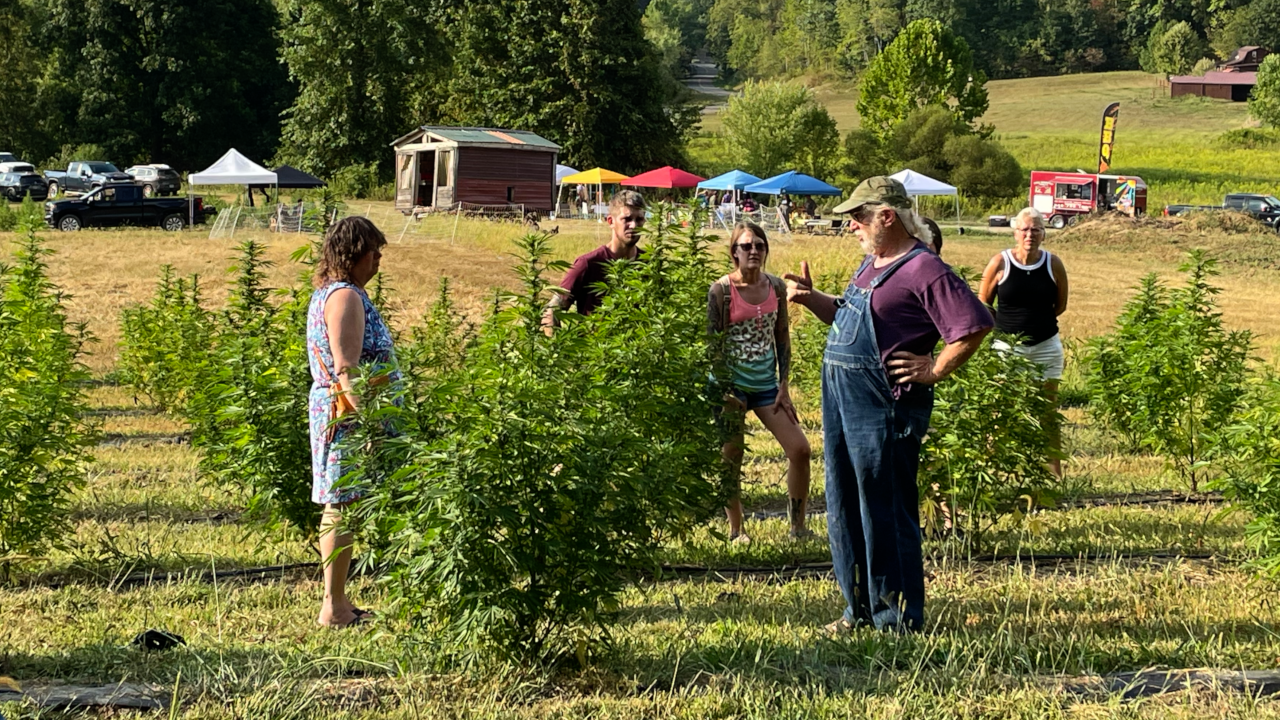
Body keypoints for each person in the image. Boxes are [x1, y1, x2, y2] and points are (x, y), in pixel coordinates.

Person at [785, 176, 993, 633]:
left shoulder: (924, 268)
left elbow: (973, 325)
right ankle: (856, 610)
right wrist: (809, 298)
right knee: (844, 503)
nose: (852, 226)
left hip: (884, 408)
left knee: (884, 509)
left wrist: (935, 368)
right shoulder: (872, 262)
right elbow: (847, 315)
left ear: (887, 216)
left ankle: (897, 620)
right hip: (843, 402)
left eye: (859, 217)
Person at [307, 216, 402, 628]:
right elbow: (347, 369)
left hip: (348, 414)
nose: (378, 260)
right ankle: (335, 606)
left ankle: (338, 602)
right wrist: (372, 425)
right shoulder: (344, 297)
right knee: (342, 506)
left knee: (346, 505)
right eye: (374, 252)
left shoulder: (340, 293)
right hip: (349, 418)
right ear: (353, 254)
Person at [708, 221, 813, 543]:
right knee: (731, 457)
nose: (754, 251)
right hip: (731, 386)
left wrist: (784, 386)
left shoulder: (776, 287)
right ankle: (737, 530)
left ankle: (797, 527)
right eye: (746, 246)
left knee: (800, 450)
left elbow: (782, 335)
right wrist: (725, 389)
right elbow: (712, 344)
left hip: (767, 385)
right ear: (734, 253)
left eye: (759, 245)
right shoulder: (721, 290)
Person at [978, 207, 1069, 478]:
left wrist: (1034, 324)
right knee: (1001, 411)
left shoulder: (1054, 264)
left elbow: (1060, 306)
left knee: (1047, 413)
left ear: (1044, 234)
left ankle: (1053, 475)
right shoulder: (1000, 263)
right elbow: (983, 302)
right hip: (1008, 350)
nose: (1030, 235)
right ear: (1015, 232)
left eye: (1036, 229)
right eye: (1025, 229)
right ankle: (992, 472)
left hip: (1046, 347)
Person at [543, 190, 646, 331]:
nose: (633, 226)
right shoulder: (588, 264)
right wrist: (557, 349)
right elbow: (552, 311)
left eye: (639, 219)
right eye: (627, 219)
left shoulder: (649, 264)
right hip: (595, 349)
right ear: (611, 221)